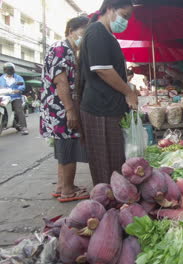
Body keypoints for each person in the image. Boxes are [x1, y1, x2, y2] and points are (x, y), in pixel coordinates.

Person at [79, 0, 136, 185]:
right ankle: (107, 204)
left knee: (115, 160)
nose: (125, 21)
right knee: (105, 164)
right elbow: (102, 69)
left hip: (109, 108)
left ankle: (115, 201)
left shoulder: (106, 34)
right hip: (100, 109)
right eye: (124, 16)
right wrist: (129, 92)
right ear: (110, 9)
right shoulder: (96, 31)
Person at [40, 16, 90, 202]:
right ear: (71, 30)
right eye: (83, 32)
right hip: (60, 108)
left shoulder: (67, 50)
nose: (85, 37)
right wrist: (70, 110)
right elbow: (61, 81)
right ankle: (68, 190)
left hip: (56, 108)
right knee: (69, 146)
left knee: (63, 146)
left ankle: (62, 185)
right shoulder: (61, 49)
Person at [0, 63, 28, 135]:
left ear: (13, 70)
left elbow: (22, 86)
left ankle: (24, 127)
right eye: (7, 69)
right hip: (4, 97)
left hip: (15, 97)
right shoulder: (1, 78)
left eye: (10, 69)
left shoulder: (18, 77)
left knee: (19, 110)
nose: (8, 71)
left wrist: (18, 90)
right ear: (4, 70)